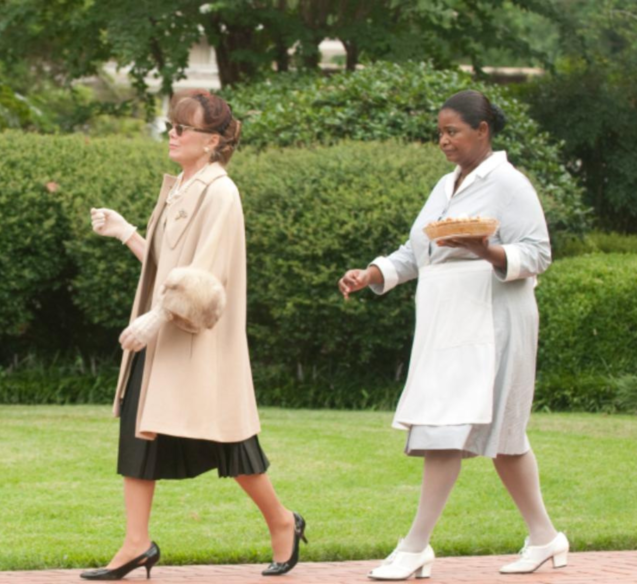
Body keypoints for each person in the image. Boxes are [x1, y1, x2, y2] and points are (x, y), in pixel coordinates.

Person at [338, 90, 567, 581]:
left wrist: (487, 252)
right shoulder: (445, 185)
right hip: (445, 322)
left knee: (448, 431)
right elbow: (414, 251)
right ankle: (546, 537)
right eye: (440, 132)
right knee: (506, 438)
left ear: (482, 131)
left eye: (452, 131)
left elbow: (539, 253)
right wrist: (372, 274)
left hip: (495, 320)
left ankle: (414, 545)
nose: (443, 140)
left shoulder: (509, 184)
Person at [84, 90, 307, 581]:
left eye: (183, 128)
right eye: (172, 125)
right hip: (165, 335)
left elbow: (206, 279)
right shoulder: (182, 186)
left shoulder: (220, 191)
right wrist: (126, 232)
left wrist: (154, 318)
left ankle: (282, 521)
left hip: (197, 341)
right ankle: (136, 544)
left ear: (210, 142)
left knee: (231, 441)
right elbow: (169, 269)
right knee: (138, 434)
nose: (173, 133)